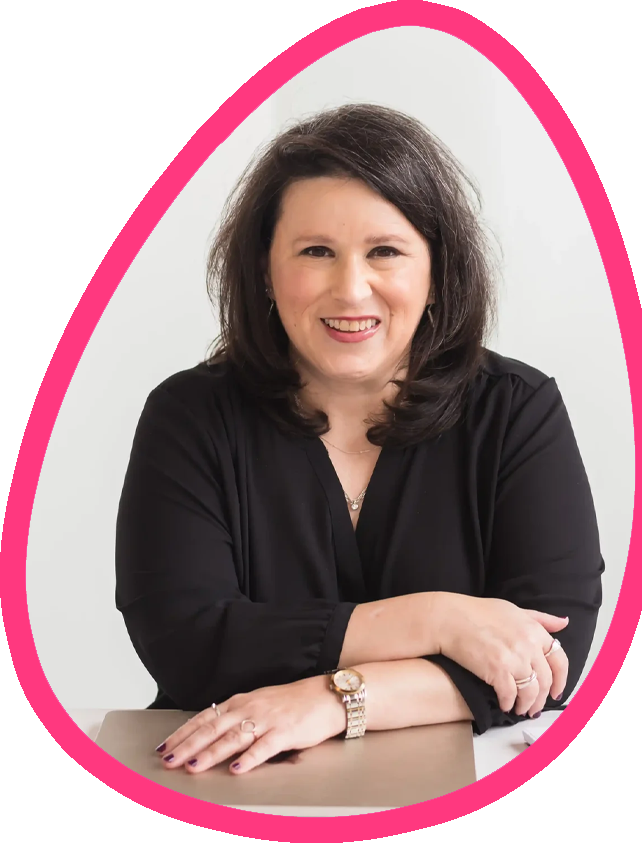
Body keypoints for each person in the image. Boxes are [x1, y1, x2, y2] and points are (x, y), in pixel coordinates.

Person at [115, 103, 604, 777]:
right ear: (264, 270)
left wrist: (331, 698)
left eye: (385, 251)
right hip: (229, 783)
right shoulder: (190, 415)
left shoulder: (516, 410)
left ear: (436, 270)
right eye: (315, 251)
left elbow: (546, 661)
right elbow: (187, 641)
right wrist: (437, 621)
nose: (351, 289)